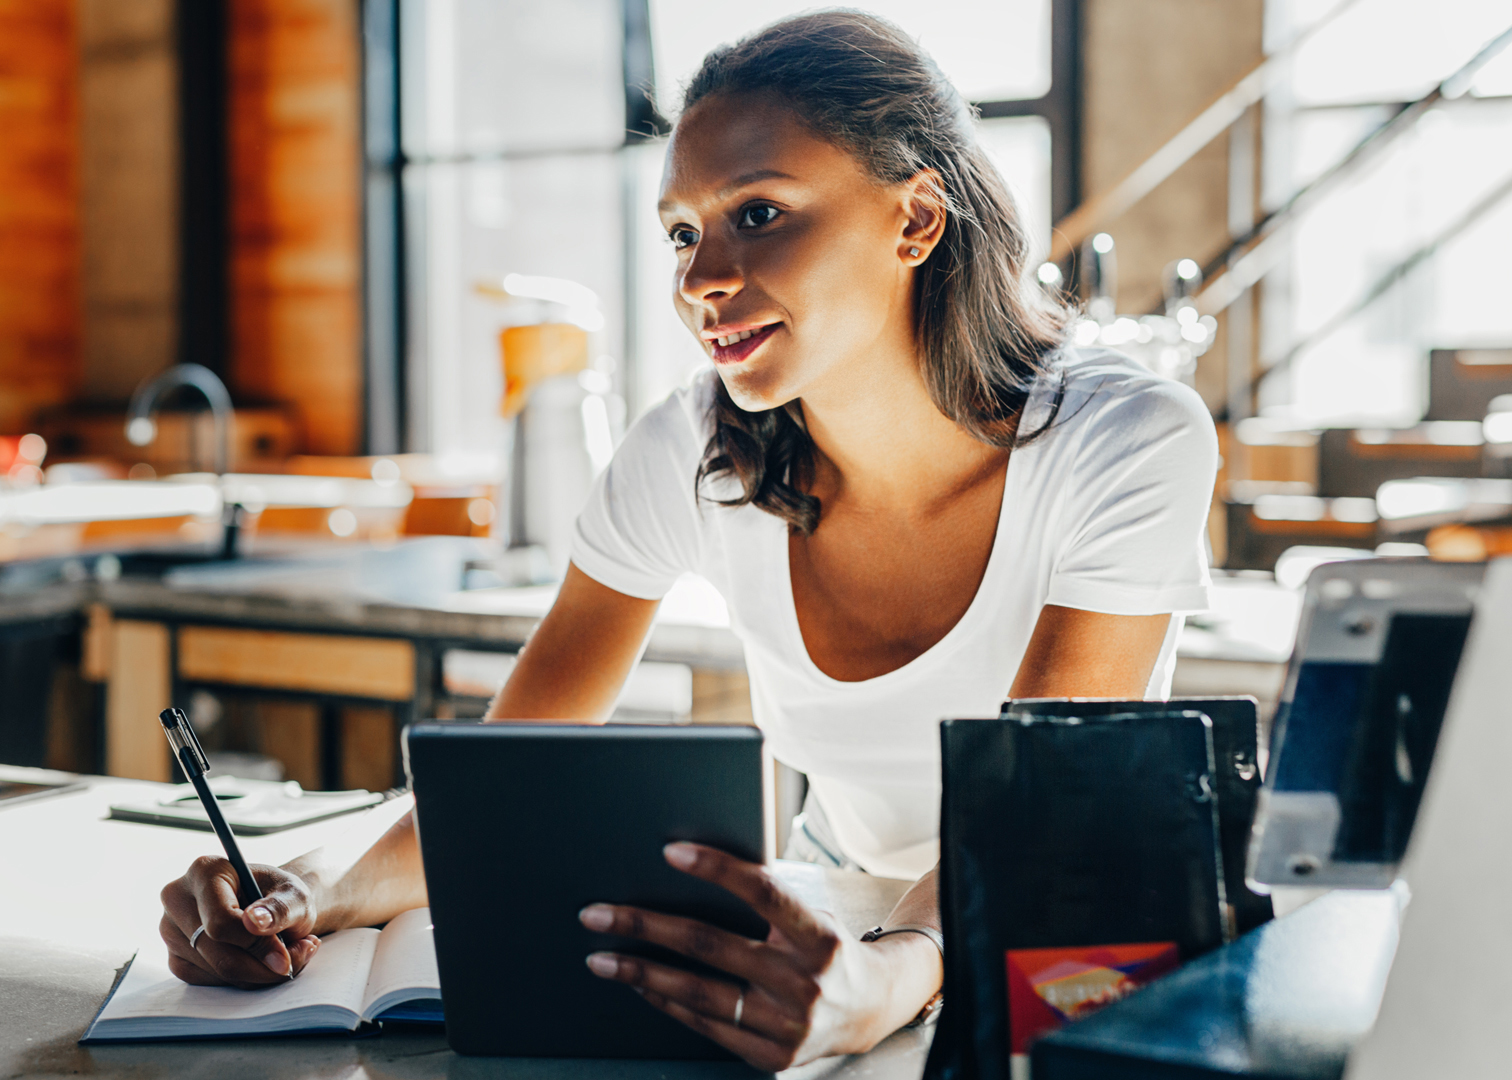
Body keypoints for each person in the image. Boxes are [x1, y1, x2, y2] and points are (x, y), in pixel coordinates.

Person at [158, 10, 1217, 1071]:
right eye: (681, 231)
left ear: (917, 220)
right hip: (843, 899)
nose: (699, 279)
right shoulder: (694, 447)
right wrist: (308, 887)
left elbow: (1039, 806)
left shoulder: (1127, 438)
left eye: (758, 212)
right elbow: (517, 767)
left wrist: (889, 976)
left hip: (1070, 921)